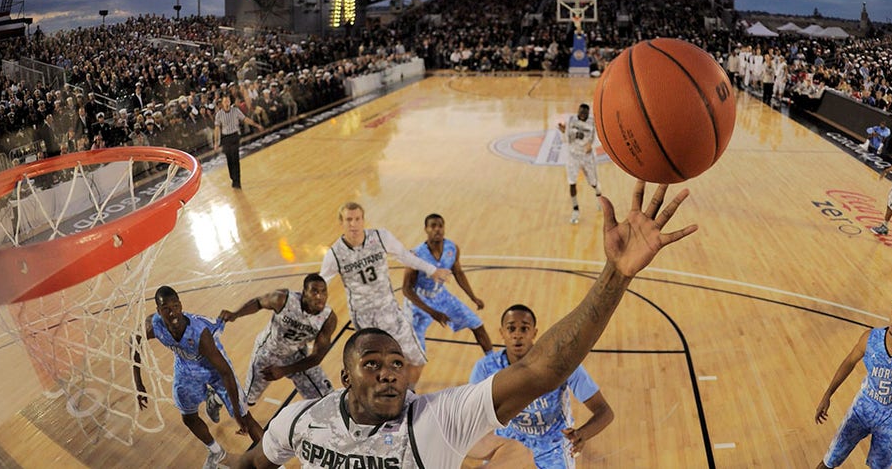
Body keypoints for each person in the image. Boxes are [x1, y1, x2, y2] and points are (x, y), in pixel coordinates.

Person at [234, 182, 697, 469]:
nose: (389, 371)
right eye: (373, 364)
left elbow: (542, 371)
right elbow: (253, 464)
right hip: (372, 312)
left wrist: (615, 273)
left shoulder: (436, 420)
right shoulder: (301, 420)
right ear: (344, 378)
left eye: (396, 363)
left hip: (394, 313)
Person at [320, 201, 453, 386]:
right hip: (365, 321)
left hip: (390, 312)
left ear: (363, 220)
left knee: (416, 360)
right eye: (349, 220)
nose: (353, 224)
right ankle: (383, 405)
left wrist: (432, 270)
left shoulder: (380, 237)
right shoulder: (334, 254)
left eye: (357, 219)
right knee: (376, 370)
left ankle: (407, 397)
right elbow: (320, 284)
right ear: (341, 223)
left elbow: (405, 256)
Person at [468, 304, 613, 468]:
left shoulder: (561, 363)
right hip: (507, 440)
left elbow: (605, 411)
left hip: (553, 445)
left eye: (524, 329)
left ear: (534, 333)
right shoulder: (486, 368)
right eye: (511, 328)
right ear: (502, 333)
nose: (517, 335)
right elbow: (468, 414)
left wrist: (582, 434)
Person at [134, 286, 263, 469]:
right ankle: (217, 452)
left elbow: (225, 372)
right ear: (158, 311)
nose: (172, 313)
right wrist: (138, 383)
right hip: (186, 368)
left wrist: (236, 411)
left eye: (176, 307)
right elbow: (134, 341)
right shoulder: (153, 325)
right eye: (166, 309)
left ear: (181, 305)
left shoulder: (200, 334)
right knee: (188, 417)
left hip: (216, 369)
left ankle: (275, 462)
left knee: (245, 417)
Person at [814, 295, 892, 469]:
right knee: (828, 461)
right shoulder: (870, 338)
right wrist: (827, 394)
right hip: (863, 407)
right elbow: (849, 362)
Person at [218, 273, 338, 408]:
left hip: (296, 355)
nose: (320, 297)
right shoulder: (283, 300)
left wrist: (283, 370)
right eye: (314, 291)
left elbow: (316, 357)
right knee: (248, 400)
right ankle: (218, 398)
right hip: (268, 352)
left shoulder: (328, 319)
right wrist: (236, 314)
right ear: (304, 293)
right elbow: (258, 302)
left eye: (323, 292)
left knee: (325, 395)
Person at [401, 213, 493, 356]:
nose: (437, 229)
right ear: (426, 229)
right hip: (418, 302)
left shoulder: (452, 248)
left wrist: (473, 297)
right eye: (433, 226)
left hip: (440, 295)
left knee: (477, 324)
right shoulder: (416, 255)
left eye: (440, 226)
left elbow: (458, 273)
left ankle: (491, 359)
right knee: (416, 351)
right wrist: (432, 312)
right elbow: (406, 289)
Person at [558, 103, 602, 224]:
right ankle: (575, 209)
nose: (582, 115)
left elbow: (598, 140)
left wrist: (591, 145)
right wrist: (562, 131)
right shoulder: (571, 120)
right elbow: (565, 139)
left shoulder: (593, 122)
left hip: (587, 157)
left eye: (584, 113)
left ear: (588, 114)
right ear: (577, 111)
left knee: (593, 183)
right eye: (580, 113)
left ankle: (599, 198)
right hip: (573, 156)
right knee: (572, 183)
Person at [214, 95, 264, 189]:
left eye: (228, 101)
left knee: (235, 158)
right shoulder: (219, 115)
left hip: (234, 136)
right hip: (226, 138)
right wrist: (216, 142)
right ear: (222, 103)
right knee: (229, 159)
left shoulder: (236, 111)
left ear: (230, 102)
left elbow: (245, 119)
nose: (226, 103)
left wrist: (257, 125)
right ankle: (233, 178)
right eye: (225, 101)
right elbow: (216, 129)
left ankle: (237, 181)